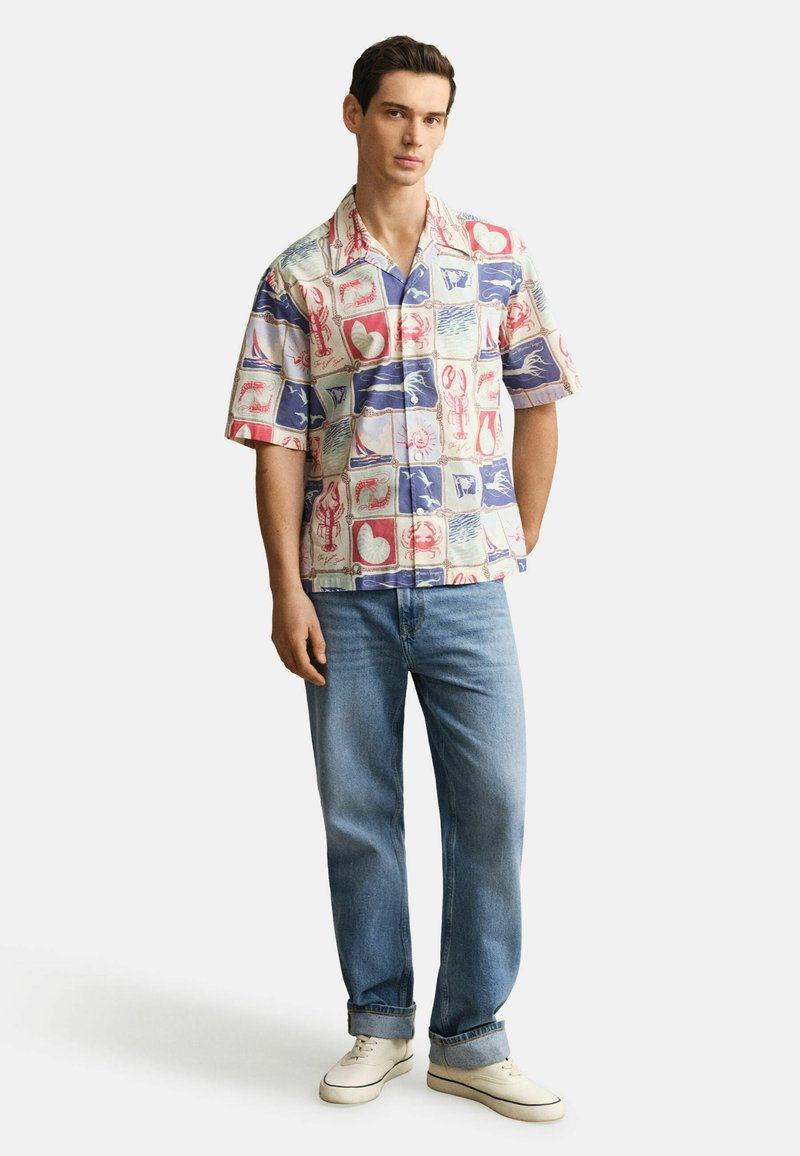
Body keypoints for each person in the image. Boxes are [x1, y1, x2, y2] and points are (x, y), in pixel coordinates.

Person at [224, 34, 582, 1123]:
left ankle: (470, 1037)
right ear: (354, 115)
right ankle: (378, 1023)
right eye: (394, 113)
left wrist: (516, 532)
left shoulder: (495, 256)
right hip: (344, 588)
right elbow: (276, 440)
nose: (413, 136)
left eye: (431, 117)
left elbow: (538, 398)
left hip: (471, 588)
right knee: (359, 810)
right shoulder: (298, 275)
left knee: (494, 803)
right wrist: (285, 588)